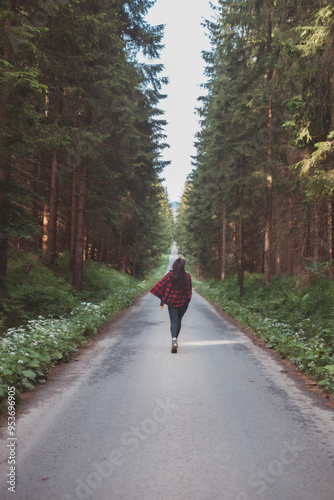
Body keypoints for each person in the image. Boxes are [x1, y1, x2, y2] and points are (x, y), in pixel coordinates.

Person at [150, 258, 192, 352]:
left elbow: (166, 290)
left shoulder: (170, 275)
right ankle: (175, 340)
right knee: (179, 320)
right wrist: (188, 300)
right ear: (183, 266)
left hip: (172, 303)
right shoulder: (188, 276)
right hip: (184, 302)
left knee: (173, 321)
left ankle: (174, 339)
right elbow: (189, 290)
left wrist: (162, 302)